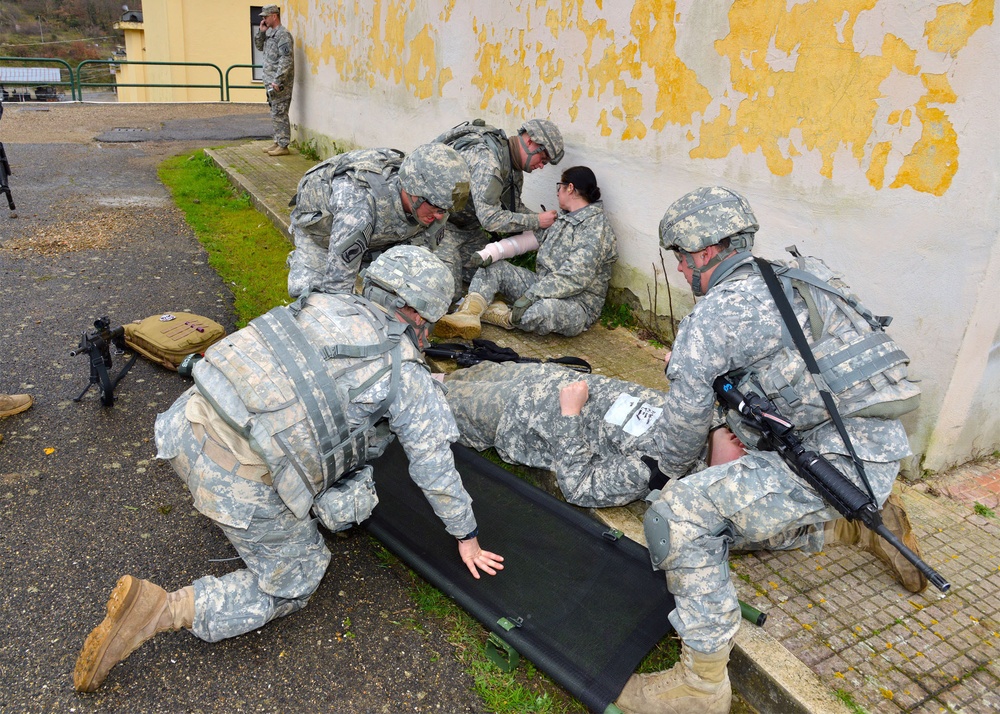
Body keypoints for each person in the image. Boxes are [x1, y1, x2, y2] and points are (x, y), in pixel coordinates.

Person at [73, 245, 504, 693]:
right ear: (418, 314)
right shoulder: (406, 371)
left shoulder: (319, 300)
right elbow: (434, 464)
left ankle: (264, 515)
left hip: (183, 423)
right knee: (298, 579)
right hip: (232, 476)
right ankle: (161, 609)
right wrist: (466, 537)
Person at [608, 186, 926, 714]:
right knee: (731, 511)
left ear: (705, 252)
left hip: (832, 460)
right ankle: (858, 522)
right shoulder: (796, 277)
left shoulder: (717, 316)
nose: (684, 273)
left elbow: (682, 427)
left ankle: (701, 687)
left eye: (683, 261)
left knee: (679, 518)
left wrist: (665, 475)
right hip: (869, 448)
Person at [445, 361, 671, 507]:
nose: (667, 357)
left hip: (519, 416)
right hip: (544, 377)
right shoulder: (701, 414)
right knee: (454, 376)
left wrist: (570, 414)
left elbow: (580, 487)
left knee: (433, 400)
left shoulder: (657, 467)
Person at [434, 165, 618, 339]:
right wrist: (492, 252)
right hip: (542, 284)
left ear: (570, 188)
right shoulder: (562, 218)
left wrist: (533, 295)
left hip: (577, 303)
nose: (557, 192)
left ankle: (502, 316)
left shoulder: (596, 228)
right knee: (494, 268)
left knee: (542, 311)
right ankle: (467, 315)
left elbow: (575, 277)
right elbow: (528, 241)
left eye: (559, 187)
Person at [286, 142, 471, 298]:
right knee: (313, 295)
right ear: (413, 191)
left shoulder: (436, 201)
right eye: (436, 207)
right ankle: (305, 262)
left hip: (381, 237)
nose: (440, 216)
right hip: (324, 237)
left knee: (435, 288)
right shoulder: (358, 205)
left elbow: (424, 254)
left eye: (445, 209)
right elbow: (338, 287)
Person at [431, 118, 564, 300]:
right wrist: (537, 221)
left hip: (468, 230)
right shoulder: (488, 161)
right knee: (449, 292)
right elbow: (491, 219)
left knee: (487, 272)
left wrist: (544, 221)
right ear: (530, 141)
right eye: (543, 158)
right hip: (438, 226)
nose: (541, 166)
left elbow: (513, 209)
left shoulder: (512, 168)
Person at [255, 4, 294, 156]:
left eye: (265, 16)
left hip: (280, 83)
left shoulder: (283, 35)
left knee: (280, 112)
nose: (264, 19)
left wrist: (278, 80)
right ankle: (278, 141)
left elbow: (286, 60)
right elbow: (259, 46)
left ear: (274, 16)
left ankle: (283, 145)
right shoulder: (271, 34)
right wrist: (261, 32)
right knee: (274, 112)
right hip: (270, 81)